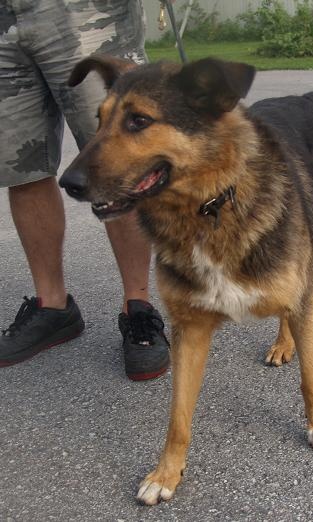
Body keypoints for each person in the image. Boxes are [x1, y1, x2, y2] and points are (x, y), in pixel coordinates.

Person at [0, 0, 170, 381]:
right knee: (22, 166)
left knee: (122, 156)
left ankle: (138, 306)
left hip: (85, 9)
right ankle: (52, 306)